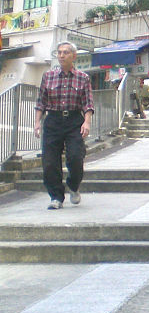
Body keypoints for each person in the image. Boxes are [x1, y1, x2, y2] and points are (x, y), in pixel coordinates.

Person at [33, 41, 94, 210]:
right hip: (53, 121)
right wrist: (37, 122)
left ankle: (73, 186)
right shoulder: (48, 76)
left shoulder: (83, 78)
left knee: (75, 157)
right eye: (59, 52)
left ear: (73, 56)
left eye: (65, 52)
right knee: (50, 162)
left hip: (74, 120)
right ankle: (56, 197)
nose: (61, 55)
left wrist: (87, 122)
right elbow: (41, 102)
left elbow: (88, 103)